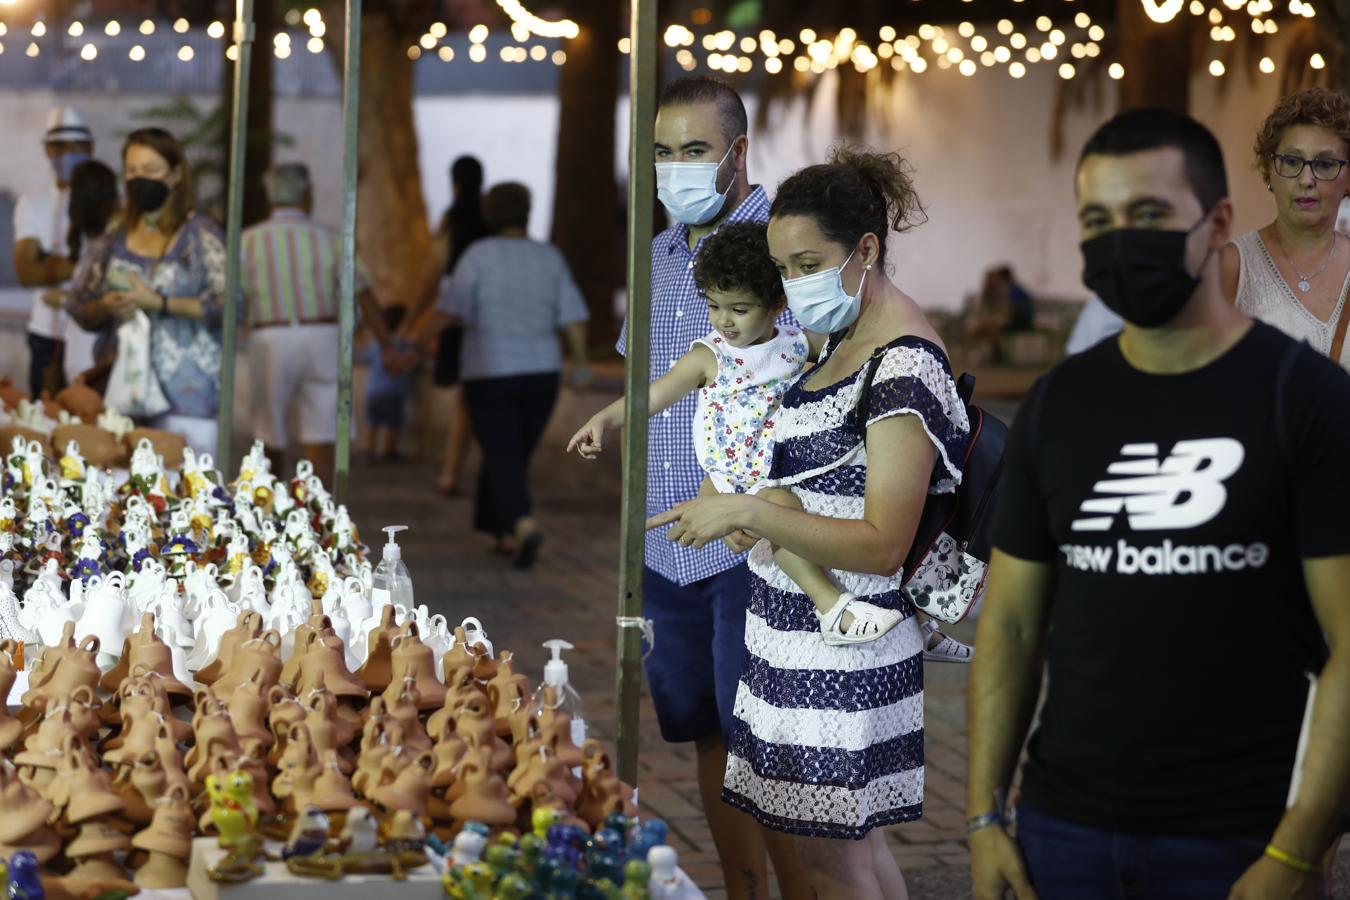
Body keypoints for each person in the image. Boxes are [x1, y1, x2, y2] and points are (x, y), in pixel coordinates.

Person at [966, 109, 1350, 900]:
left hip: (1241, 836)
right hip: (1063, 830)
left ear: (1216, 224)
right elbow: (1008, 624)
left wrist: (1296, 851)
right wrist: (981, 819)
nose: (1120, 241)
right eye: (1098, 221)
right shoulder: (1058, 404)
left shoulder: (1305, 399)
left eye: (1147, 215)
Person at [648, 147, 967, 899]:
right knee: (851, 858)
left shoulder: (902, 364)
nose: (793, 286)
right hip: (797, 643)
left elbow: (885, 541)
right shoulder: (839, 338)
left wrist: (752, 510)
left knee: (828, 866)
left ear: (865, 251)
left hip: (844, 651)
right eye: (783, 269)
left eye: (807, 264)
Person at [615, 75, 810, 900]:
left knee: (771, 740)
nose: (676, 168)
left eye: (694, 151)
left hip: (757, 544)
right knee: (709, 736)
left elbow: (824, 386)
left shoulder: (792, 248)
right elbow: (645, 382)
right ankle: (744, 892)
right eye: (662, 152)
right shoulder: (655, 254)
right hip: (669, 547)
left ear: (736, 154)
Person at [571, 222, 899, 643]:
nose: (724, 321)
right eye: (714, 306)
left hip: (783, 471)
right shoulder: (710, 355)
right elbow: (651, 396)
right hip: (728, 478)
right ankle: (833, 607)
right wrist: (604, 419)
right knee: (778, 515)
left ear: (778, 303)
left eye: (739, 309)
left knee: (818, 515)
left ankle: (914, 614)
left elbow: (849, 359)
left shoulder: (799, 343)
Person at [433, 181, 589, 568]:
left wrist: (412, 344)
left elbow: (450, 310)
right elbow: (573, 317)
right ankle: (498, 529)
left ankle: (522, 524)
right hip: (542, 374)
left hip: (489, 371)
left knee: (503, 450)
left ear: (490, 214)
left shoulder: (478, 256)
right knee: (511, 451)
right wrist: (581, 363)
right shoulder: (548, 257)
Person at [69, 127, 237, 455]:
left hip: (188, 400)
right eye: (132, 170)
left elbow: (231, 306)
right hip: (121, 397)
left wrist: (159, 302)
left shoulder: (200, 233)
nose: (139, 178)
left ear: (175, 175)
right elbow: (78, 304)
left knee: (188, 495)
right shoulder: (115, 234)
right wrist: (105, 305)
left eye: (151, 170)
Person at [240, 162, 395, 486]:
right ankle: (322, 520)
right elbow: (363, 292)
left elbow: (232, 300)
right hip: (323, 336)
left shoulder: (248, 241)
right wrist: (387, 346)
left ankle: (267, 514)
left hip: (270, 336)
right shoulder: (331, 239)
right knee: (322, 434)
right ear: (307, 195)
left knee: (269, 432)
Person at [1221, 87, 1350, 368]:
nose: (1306, 179)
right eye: (1292, 161)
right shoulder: (1232, 267)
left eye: (1325, 164)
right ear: (1269, 171)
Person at [405, 155, 490, 496]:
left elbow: (432, 273)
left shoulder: (453, 220)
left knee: (465, 399)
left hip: (459, 314)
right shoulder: (490, 218)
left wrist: (413, 320)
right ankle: (463, 469)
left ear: (453, 182)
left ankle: (451, 472)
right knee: (475, 397)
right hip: (489, 314)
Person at [13, 107, 95, 397]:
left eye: (75, 147)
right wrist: (87, 267)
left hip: (92, 333)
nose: (67, 154)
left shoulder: (106, 200)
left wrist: (51, 262)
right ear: (48, 150)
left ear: (90, 149)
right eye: (60, 147)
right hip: (47, 331)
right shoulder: (33, 203)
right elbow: (27, 271)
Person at [59, 160, 121, 385]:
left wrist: (67, 300)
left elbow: (93, 298)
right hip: (79, 343)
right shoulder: (92, 239)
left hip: (96, 350)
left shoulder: (113, 239)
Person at [361, 305, 415, 463]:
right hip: (395, 392)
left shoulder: (377, 345)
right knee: (394, 424)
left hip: (375, 392)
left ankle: (369, 450)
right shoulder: (405, 344)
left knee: (372, 423)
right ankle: (390, 451)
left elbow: (364, 357)